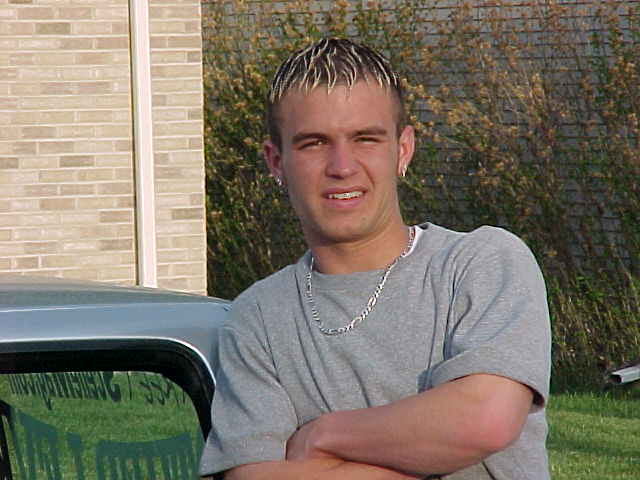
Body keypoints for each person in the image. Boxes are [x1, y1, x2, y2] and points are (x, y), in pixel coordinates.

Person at [199, 37, 551, 480]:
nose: (342, 166)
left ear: (402, 149)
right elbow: (251, 476)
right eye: (313, 143)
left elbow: (486, 419)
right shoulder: (258, 318)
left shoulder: (479, 263)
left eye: (365, 138)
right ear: (275, 161)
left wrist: (322, 437)